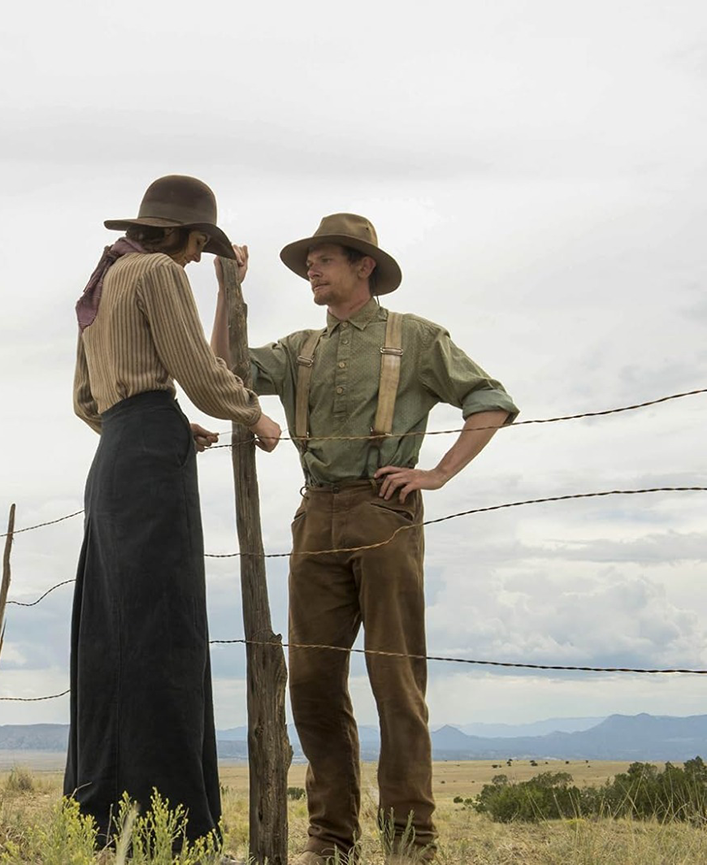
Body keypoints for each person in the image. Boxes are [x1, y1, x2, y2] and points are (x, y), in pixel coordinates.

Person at [210, 214, 518, 864]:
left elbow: (489, 400)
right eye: (309, 264)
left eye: (323, 260)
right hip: (314, 516)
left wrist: (435, 473)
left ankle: (412, 841)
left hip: (385, 512)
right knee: (313, 681)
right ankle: (331, 837)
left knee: (395, 678)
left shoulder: (416, 338)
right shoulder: (300, 348)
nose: (312, 272)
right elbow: (223, 368)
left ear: (363, 266)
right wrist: (228, 291)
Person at [67, 175, 283, 846]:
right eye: (198, 247)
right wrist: (254, 413)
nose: (194, 259)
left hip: (114, 462)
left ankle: (107, 822)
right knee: (165, 635)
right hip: (151, 460)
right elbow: (197, 369)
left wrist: (152, 423)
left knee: (112, 638)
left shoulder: (104, 283)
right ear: (185, 235)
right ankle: (173, 829)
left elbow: (85, 400)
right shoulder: (159, 270)